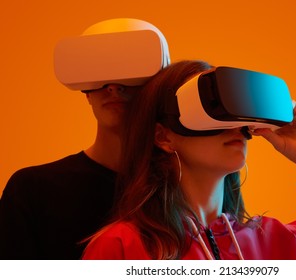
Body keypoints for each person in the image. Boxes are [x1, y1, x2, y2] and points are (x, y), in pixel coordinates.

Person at [82, 60, 296, 260]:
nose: (233, 126)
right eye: (211, 110)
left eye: (234, 111)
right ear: (164, 136)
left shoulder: (291, 240)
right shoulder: (122, 247)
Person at [0, 18, 170, 259]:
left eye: (131, 71)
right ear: (85, 93)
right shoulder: (33, 190)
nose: (112, 86)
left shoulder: (181, 188)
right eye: (98, 72)